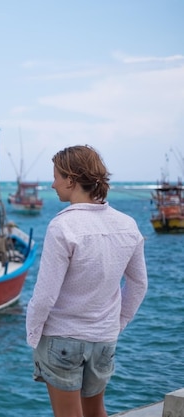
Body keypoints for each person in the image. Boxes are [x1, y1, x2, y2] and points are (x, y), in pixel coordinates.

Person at [26, 145, 148, 417]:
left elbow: (45, 295)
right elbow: (139, 285)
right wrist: (118, 323)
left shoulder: (63, 226)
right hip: (104, 338)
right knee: (96, 412)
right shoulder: (128, 224)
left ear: (71, 179)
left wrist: (33, 333)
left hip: (62, 338)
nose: (53, 183)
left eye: (56, 176)